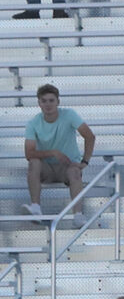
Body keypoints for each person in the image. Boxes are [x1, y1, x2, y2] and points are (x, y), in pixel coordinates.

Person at [20, 83, 94, 217]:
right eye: (44, 101)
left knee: (75, 171)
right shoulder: (33, 123)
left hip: (67, 166)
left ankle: (78, 215)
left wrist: (85, 161)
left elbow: (89, 136)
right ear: (39, 103)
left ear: (58, 102)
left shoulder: (69, 115)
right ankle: (35, 207)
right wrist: (53, 152)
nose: (48, 104)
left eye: (51, 100)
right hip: (46, 168)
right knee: (33, 163)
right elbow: (28, 154)